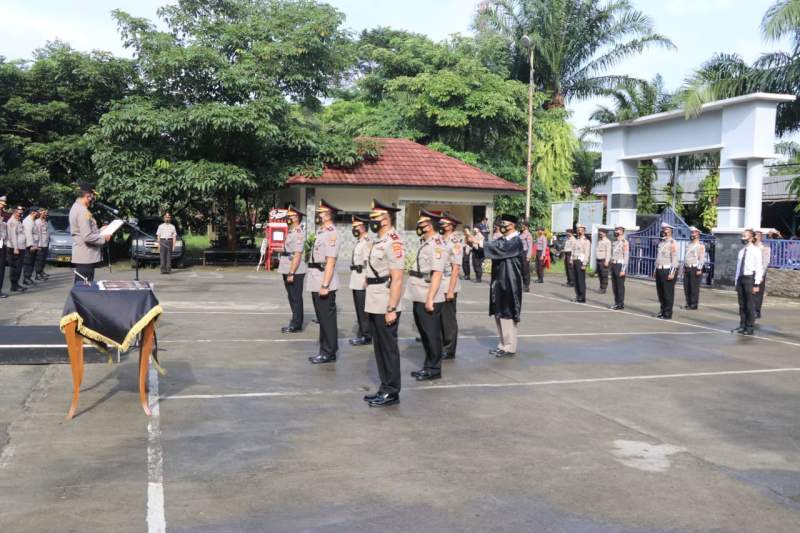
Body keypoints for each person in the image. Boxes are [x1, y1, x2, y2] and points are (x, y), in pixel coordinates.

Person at [362, 199, 405, 407]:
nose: (372, 221)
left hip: (386, 301)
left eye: (375, 218)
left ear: (386, 220)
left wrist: (392, 308)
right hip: (374, 298)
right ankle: (384, 386)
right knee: (379, 348)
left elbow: (397, 278)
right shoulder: (379, 240)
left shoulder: (393, 242)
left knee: (388, 348)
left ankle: (392, 391)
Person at [406, 210, 447, 381]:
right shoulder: (427, 242)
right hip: (419, 293)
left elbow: (437, 274)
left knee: (431, 333)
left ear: (429, 226)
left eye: (421, 223)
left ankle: (435, 368)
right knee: (424, 333)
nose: (419, 226)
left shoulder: (437, 245)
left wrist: (430, 299)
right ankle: (428, 365)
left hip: (429, 295)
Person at [306, 200, 342, 365]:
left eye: (321, 212)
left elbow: (330, 261)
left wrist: (325, 285)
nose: (318, 214)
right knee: (323, 318)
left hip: (323, 280)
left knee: (326, 319)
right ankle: (326, 350)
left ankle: (328, 352)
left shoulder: (331, 233)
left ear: (327, 216)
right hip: (316, 278)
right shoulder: (322, 232)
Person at [484, 214, 524, 357]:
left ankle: (509, 347)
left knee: (508, 314)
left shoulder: (516, 241)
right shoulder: (502, 240)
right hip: (499, 281)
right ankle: (502, 344)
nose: (502, 226)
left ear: (512, 225)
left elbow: (500, 249)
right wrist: (475, 244)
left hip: (510, 282)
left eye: (504, 223)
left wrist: (480, 244)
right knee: (499, 313)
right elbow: (492, 247)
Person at [69, 182, 110, 283]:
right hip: (85, 256)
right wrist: (104, 238)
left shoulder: (78, 208)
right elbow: (87, 237)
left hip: (84, 256)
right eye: (93, 196)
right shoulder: (82, 211)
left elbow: (87, 232)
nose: (93, 199)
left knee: (83, 287)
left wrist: (101, 230)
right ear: (88, 195)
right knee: (83, 288)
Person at [278, 205, 307, 334]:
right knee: (291, 296)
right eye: (288, 216)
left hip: (295, 269)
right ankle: (295, 321)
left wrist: (291, 272)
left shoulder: (299, 233)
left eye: (291, 216)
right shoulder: (291, 231)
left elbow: (298, 254)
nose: (288, 218)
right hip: (286, 267)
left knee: (295, 297)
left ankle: (296, 324)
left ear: (297, 218)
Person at [438, 211, 462, 360]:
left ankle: (449, 348)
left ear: (451, 226)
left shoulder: (455, 242)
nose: (440, 225)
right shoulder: (440, 240)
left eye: (443, 223)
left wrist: (451, 290)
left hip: (448, 284)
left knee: (448, 319)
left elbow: (456, 268)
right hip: (438, 284)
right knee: (439, 317)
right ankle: (441, 344)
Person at [733, 229, 764, 336]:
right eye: (742, 236)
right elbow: (738, 267)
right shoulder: (741, 251)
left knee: (749, 304)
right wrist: (736, 281)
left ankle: (750, 327)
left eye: (745, 236)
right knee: (741, 304)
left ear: (751, 237)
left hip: (750, 279)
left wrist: (756, 284)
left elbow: (759, 268)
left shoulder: (756, 251)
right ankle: (742, 325)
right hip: (741, 279)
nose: (742, 238)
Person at [349, 215, 372, 346]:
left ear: (363, 227)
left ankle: (366, 336)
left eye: (356, 226)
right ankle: (362, 332)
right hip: (356, 278)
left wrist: (367, 279)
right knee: (359, 309)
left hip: (362, 279)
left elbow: (369, 263)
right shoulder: (360, 241)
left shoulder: (367, 242)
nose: (354, 229)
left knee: (363, 310)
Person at [654, 222, 678, 319]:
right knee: (660, 293)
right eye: (663, 229)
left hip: (668, 270)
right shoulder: (661, 243)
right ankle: (662, 310)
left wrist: (672, 272)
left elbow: (675, 259)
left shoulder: (673, 243)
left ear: (670, 232)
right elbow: (658, 258)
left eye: (666, 230)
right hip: (660, 269)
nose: (664, 231)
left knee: (668, 293)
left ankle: (668, 313)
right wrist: (655, 270)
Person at [682, 227, 705, 310]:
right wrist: (684, 267)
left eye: (694, 233)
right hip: (687, 267)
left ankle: (694, 304)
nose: (692, 235)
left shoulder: (700, 245)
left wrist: (699, 269)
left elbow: (701, 258)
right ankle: (688, 303)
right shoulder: (688, 244)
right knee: (686, 286)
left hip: (695, 268)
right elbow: (686, 257)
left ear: (698, 234)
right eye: (691, 233)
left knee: (694, 287)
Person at [7, 206, 28, 292]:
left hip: (20, 247)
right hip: (15, 248)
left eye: (21, 213)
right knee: (15, 267)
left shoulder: (18, 221)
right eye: (19, 213)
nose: (20, 214)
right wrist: (16, 248)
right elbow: (13, 236)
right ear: (14, 212)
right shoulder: (12, 222)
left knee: (18, 267)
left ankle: (16, 284)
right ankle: (14, 285)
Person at [609, 224, 629, 310]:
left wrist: (623, 270)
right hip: (614, 264)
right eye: (615, 230)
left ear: (622, 231)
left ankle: (620, 303)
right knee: (614, 285)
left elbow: (626, 257)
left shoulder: (625, 242)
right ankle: (616, 302)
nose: (616, 231)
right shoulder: (615, 242)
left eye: (618, 230)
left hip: (620, 265)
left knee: (620, 286)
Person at [754, 229, 771, 319]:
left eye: (756, 235)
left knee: (759, 293)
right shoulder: (750, 247)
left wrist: (761, 274)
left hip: (760, 272)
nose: (754, 236)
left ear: (760, 237)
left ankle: (757, 310)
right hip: (751, 272)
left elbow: (765, 262)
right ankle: (751, 309)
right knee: (751, 292)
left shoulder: (765, 248)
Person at [571, 224, 590, 303]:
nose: (579, 231)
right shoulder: (576, 240)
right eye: (578, 230)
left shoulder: (586, 241)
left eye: (581, 230)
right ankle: (578, 295)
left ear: (584, 231)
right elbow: (573, 250)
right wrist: (571, 259)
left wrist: (585, 264)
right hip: (575, 260)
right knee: (576, 280)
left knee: (581, 280)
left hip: (581, 261)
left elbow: (587, 253)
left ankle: (582, 297)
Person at [21, 207, 40, 286]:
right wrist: (31, 245)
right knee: (28, 262)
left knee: (31, 262)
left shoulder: (32, 220)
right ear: (32, 212)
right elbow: (28, 234)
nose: (38, 213)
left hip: (33, 244)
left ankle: (28, 277)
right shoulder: (28, 221)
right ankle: (26, 278)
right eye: (37, 212)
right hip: (30, 246)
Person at [34, 209, 50, 281]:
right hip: (40, 244)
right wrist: (38, 245)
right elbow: (38, 234)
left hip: (45, 244)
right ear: (40, 213)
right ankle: (37, 274)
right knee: (39, 260)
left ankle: (41, 272)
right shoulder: (37, 222)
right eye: (44, 213)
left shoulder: (45, 222)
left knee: (43, 259)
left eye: (46, 213)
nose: (46, 214)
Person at [595, 228, 611, 294]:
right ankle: (601, 287)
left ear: (605, 233)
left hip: (604, 260)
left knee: (604, 275)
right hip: (598, 260)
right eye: (599, 232)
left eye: (601, 232)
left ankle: (604, 288)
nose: (600, 233)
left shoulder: (607, 241)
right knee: (600, 275)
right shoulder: (599, 241)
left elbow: (608, 252)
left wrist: (607, 261)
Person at [519, 221, 533, 292]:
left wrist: (528, 256)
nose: (522, 226)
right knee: (521, 269)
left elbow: (530, 246)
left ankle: (526, 285)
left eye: (523, 225)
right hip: (520, 253)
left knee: (525, 270)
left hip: (525, 253)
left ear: (526, 226)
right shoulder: (521, 234)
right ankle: (523, 284)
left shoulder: (528, 235)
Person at [0, 196, 8, 298]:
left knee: (1, 268)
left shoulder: (3, 214)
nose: (2, 206)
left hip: (2, 243)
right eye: (1, 204)